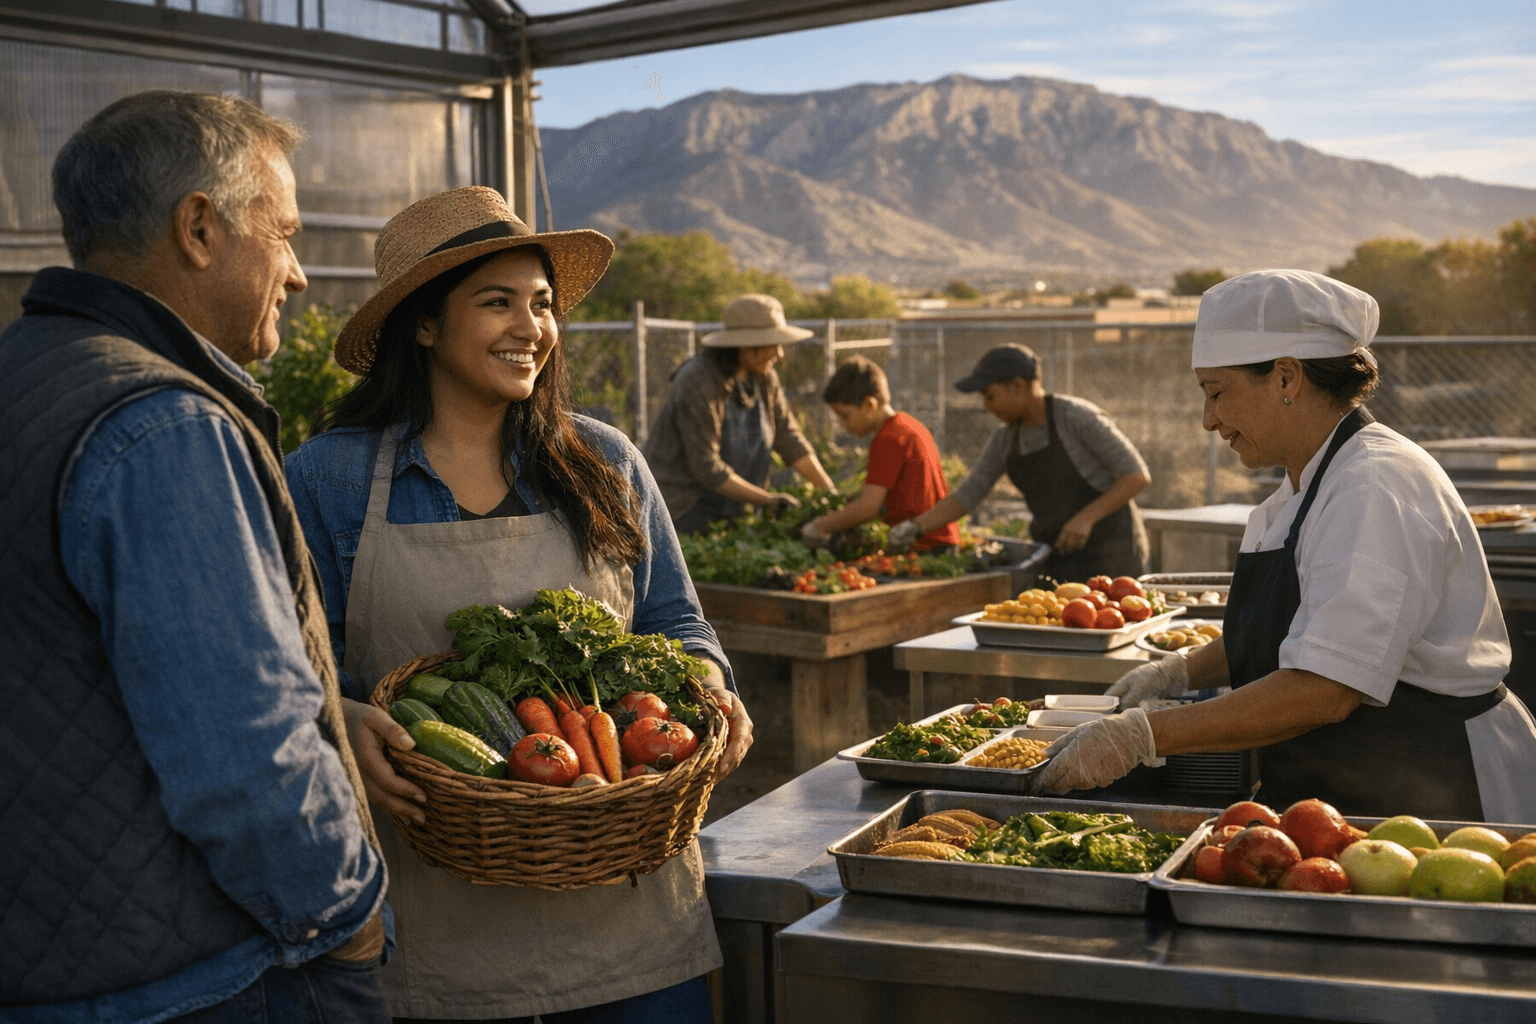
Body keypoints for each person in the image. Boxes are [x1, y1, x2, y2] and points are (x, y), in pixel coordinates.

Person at [283, 186, 753, 1023]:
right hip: (434, 914)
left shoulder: (604, 461)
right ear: (423, 323)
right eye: (495, 302)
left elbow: (674, 623)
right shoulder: (328, 479)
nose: (530, 326)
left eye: (541, 304)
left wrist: (712, 685)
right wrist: (342, 719)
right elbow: (284, 668)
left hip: (628, 904)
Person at [0, 92, 388, 1022]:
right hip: (194, 982)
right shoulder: (162, 425)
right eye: (285, 234)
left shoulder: (26, 370)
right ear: (200, 227)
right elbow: (251, 750)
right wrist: (349, 919)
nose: (296, 275)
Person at [1036, 269, 1536, 823]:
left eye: (1216, 392)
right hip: (1350, 788)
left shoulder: (1372, 486)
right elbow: (1298, 630)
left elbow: (1323, 688)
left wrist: (1144, 735)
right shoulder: (1301, 487)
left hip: (1436, 791)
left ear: (1285, 378)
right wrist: (1180, 671)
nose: (1209, 420)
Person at [887, 344, 1151, 580]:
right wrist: (915, 527)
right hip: (1060, 554)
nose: (986, 406)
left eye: (990, 396)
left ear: (1018, 386)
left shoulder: (1076, 417)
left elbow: (1136, 475)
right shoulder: (1005, 438)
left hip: (1112, 550)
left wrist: (1085, 519)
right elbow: (970, 493)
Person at [643, 293, 836, 532]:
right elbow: (707, 468)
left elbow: (789, 438)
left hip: (735, 508)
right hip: (684, 511)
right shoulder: (698, 381)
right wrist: (767, 500)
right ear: (745, 345)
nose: (780, 354)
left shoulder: (765, 378)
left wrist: (827, 490)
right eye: (772, 344)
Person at [800, 355, 960, 551]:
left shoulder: (887, 439)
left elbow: (868, 507)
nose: (843, 425)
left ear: (869, 405)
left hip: (924, 544)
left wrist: (819, 526)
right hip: (938, 540)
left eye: (845, 416)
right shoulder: (908, 425)